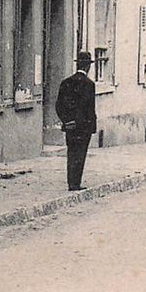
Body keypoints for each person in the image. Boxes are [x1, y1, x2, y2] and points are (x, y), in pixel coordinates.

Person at [55, 51, 97, 191]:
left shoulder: (66, 82)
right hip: (84, 127)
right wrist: (92, 126)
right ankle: (76, 183)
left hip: (71, 126)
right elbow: (90, 108)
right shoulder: (89, 84)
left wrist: (67, 121)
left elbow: (59, 105)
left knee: (71, 152)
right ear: (88, 67)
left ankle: (71, 182)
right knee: (80, 153)